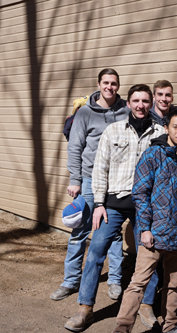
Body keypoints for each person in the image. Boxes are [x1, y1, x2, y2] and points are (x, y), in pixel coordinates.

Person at [64, 84, 165, 332]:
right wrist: (99, 203)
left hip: (146, 206)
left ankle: (146, 305)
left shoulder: (161, 134)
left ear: (150, 104)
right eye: (136, 101)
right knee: (97, 250)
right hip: (113, 204)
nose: (140, 105)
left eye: (145, 101)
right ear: (128, 104)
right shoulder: (113, 130)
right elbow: (100, 168)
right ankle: (85, 308)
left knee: (148, 255)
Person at [114, 109, 177, 333]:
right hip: (153, 234)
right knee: (138, 284)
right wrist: (144, 228)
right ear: (166, 128)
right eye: (176, 127)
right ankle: (122, 327)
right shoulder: (153, 154)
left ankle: (170, 325)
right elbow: (140, 194)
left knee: (174, 285)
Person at [51, 68, 127, 302]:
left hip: (115, 180)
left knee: (112, 232)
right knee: (80, 230)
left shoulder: (126, 111)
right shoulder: (84, 113)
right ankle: (71, 280)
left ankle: (114, 280)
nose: (109, 87)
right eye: (106, 82)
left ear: (118, 86)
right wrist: (75, 180)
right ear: (98, 84)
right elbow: (75, 147)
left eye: (113, 83)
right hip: (89, 180)